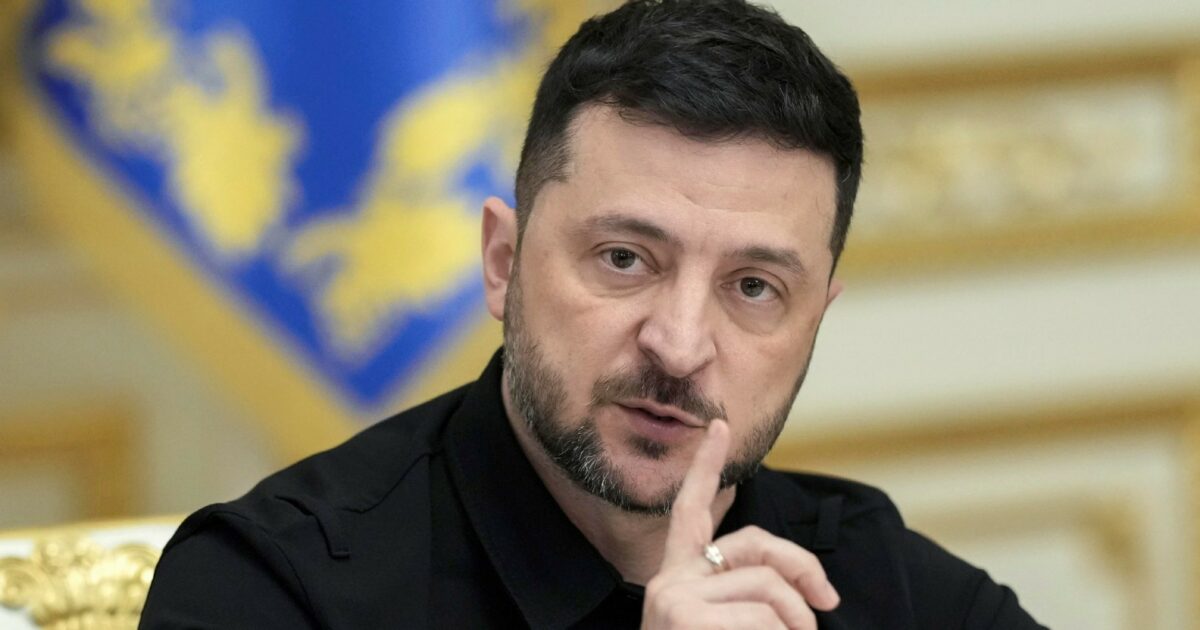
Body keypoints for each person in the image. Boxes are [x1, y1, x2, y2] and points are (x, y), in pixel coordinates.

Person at [140, 1, 1045, 628]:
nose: (679, 346)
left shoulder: (884, 585)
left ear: (815, 319)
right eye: (624, 259)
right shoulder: (268, 587)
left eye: (753, 288)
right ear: (504, 263)